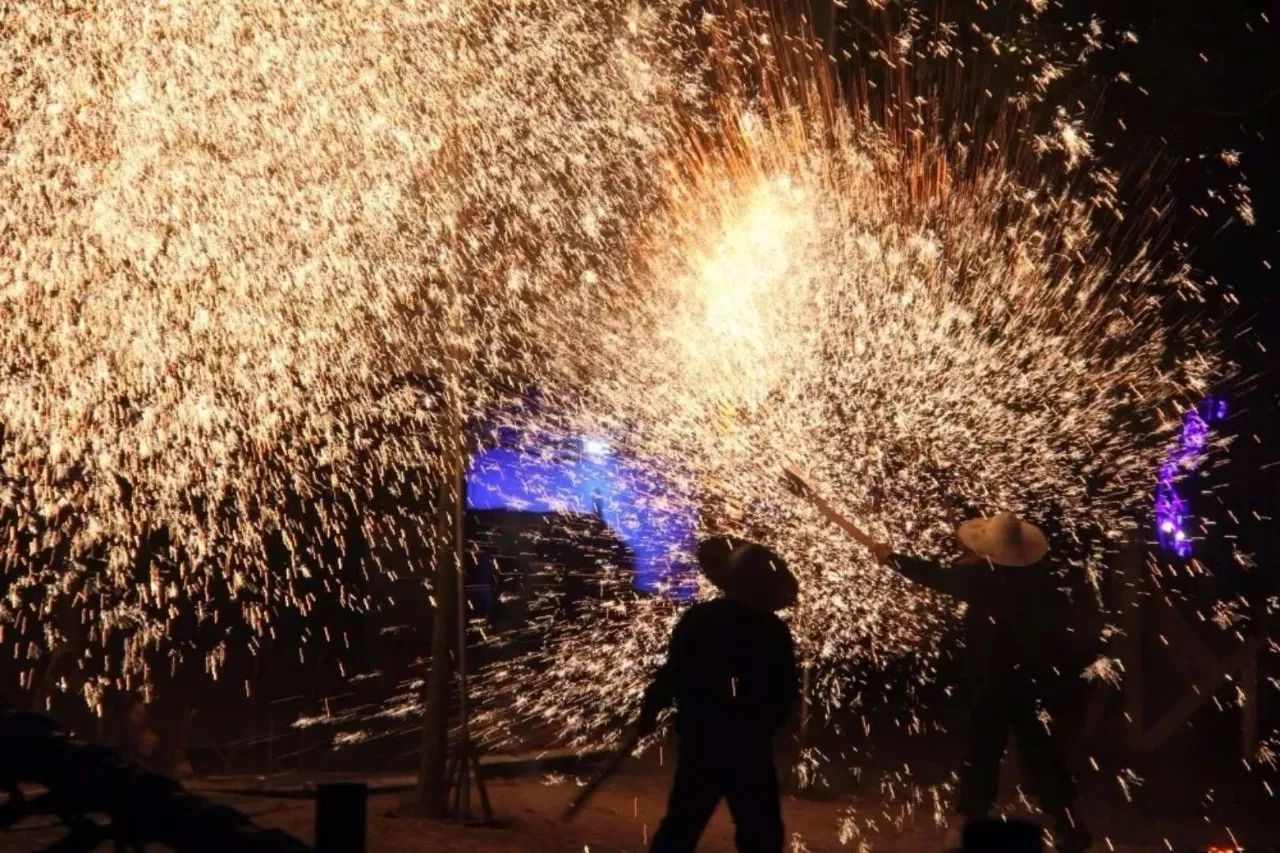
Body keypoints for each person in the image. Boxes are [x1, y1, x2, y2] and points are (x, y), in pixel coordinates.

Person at [783, 467, 1092, 853]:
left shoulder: (984, 580)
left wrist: (891, 558)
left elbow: (933, 575)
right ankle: (1068, 825)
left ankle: (972, 825)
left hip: (993, 680)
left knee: (983, 751)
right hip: (1033, 679)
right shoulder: (1033, 577)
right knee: (1041, 752)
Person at [638, 536, 799, 853]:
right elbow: (784, 692)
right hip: (749, 745)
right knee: (760, 830)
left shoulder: (701, 618)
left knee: (682, 823)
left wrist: (650, 711)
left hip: (702, 738)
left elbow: (671, 673)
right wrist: (766, 728)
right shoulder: (772, 629)